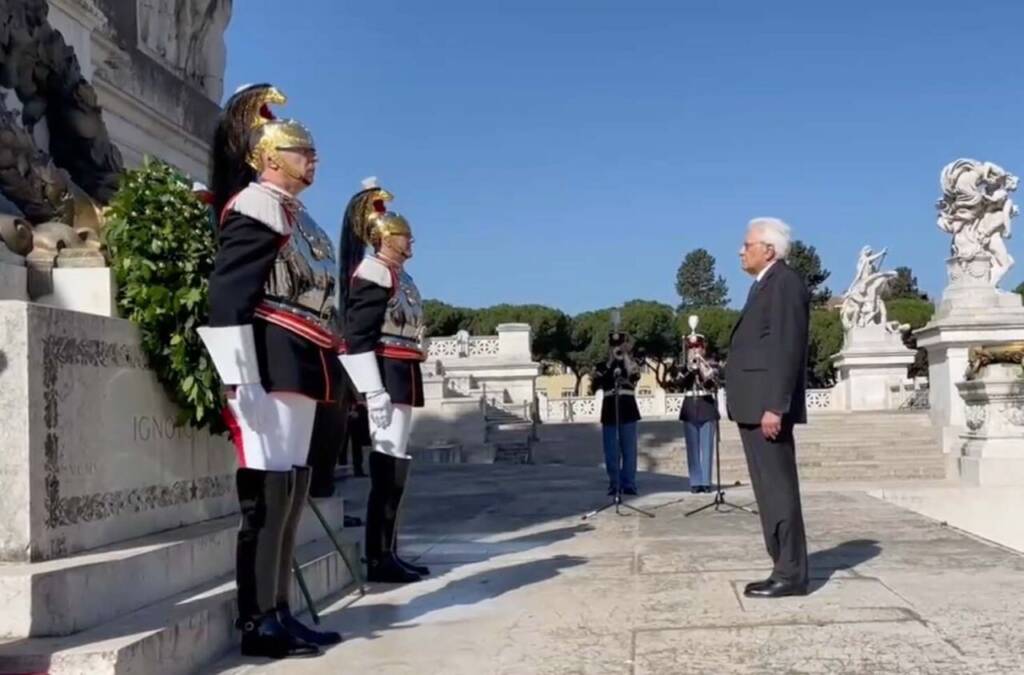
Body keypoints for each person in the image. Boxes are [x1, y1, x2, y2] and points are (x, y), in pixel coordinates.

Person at [197, 84, 343, 658]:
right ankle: (257, 622)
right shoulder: (256, 204)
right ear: (269, 156)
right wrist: (242, 378)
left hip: (302, 353)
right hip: (270, 352)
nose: (313, 159)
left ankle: (281, 609)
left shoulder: (295, 213)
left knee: (291, 485)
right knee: (265, 490)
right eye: (302, 150)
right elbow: (229, 293)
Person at [337, 178, 431, 584]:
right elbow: (358, 334)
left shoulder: (399, 276)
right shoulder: (374, 272)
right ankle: (379, 555)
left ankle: (389, 549)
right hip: (387, 370)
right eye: (404, 236)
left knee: (397, 462)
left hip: (404, 367)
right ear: (385, 237)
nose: (411, 243)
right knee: (387, 461)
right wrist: (371, 390)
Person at [724, 217, 811, 599]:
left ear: (769, 250)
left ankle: (790, 573)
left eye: (748, 244)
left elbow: (786, 348)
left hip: (766, 409)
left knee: (778, 490)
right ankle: (781, 563)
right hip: (752, 406)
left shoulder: (785, 285)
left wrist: (776, 406)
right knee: (767, 491)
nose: (741, 251)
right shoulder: (764, 286)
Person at [591, 330, 641, 496]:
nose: (616, 348)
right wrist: (610, 362)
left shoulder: (631, 364)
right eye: (613, 346)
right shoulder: (601, 366)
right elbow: (596, 384)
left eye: (619, 345)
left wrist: (624, 357)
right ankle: (615, 483)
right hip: (610, 411)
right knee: (611, 451)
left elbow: (634, 377)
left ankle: (629, 483)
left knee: (629, 451)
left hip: (628, 409)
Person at [677, 332, 720, 494]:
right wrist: (689, 369)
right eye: (691, 347)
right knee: (692, 448)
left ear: (704, 347)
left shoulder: (712, 364)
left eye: (697, 347)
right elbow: (679, 383)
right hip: (689, 407)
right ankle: (695, 481)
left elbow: (712, 384)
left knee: (707, 447)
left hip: (706, 407)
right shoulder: (684, 365)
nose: (695, 350)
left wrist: (701, 366)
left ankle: (706, 481)